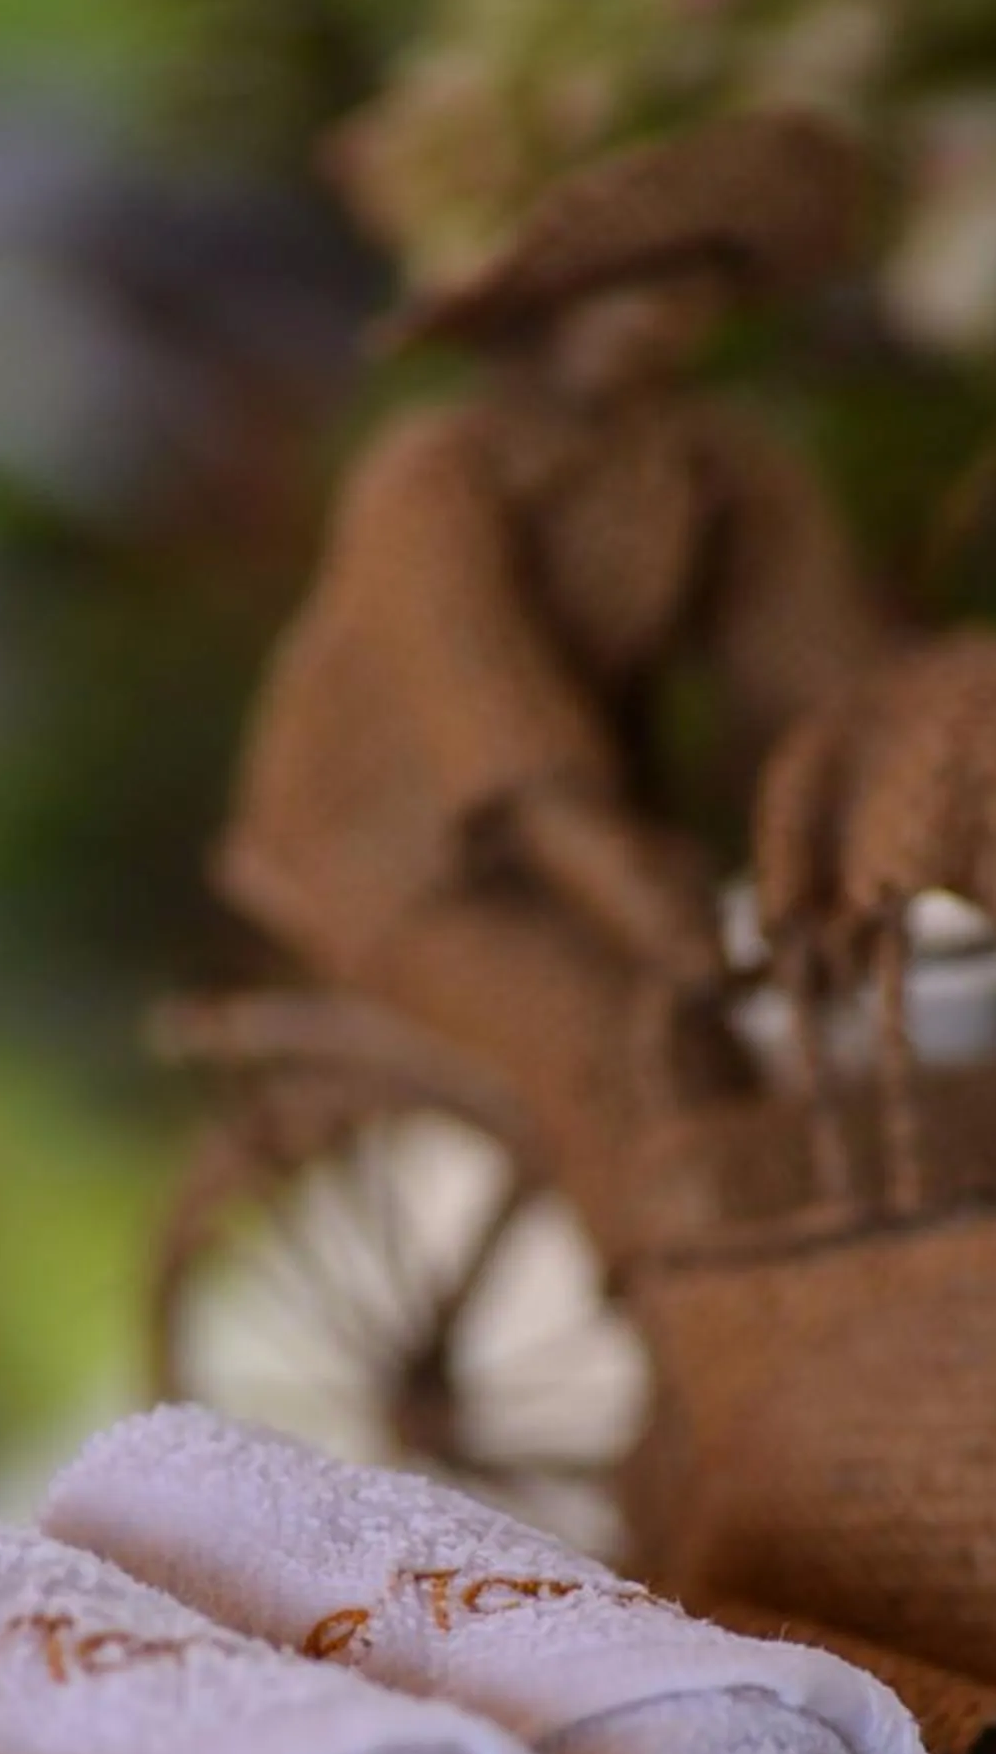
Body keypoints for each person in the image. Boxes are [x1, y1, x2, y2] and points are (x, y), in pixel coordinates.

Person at [214, 112, 884, 1160]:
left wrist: (872, 791)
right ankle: (679, 1263)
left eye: (699, 284)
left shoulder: (702, 466)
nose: (671, 315)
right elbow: (490, 713)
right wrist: (626, 882)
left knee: (772, 1043)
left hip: (594, 828)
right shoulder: (436, 477)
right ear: (553, 304)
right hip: (408, 856)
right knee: (625, 1065)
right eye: (640, 284)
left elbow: (814, 657)